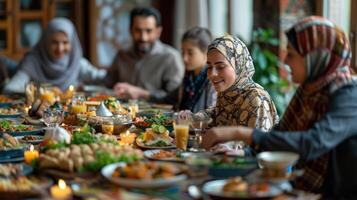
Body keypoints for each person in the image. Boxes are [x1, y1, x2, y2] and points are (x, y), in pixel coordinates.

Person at [202, 16, 357, 198]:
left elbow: (313, 142)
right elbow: (282, 135)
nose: (285, 61)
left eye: (291, 54)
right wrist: (244, 152)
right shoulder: (310, 90)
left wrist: (237, 133)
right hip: (303, 189)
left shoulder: (349, 94)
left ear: (314, 56)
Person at [181, 35, 278, 152]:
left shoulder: (257, 98)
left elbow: (261, 146)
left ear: (238, 65)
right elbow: (215, 113)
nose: (212, 74)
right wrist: (193, 118)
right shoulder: (228, 93)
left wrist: (231, 147)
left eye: (220, 67)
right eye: (209, 67)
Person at [104, 6, 184, 104]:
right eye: (138, 30)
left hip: (157, 117)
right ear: (130, 30)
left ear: (158, 32)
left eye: (148, 31)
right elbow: (107, 84)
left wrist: (142, 93)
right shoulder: (122, 55)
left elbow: (174, 98)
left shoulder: (170, 57)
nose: (143, 37)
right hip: (120, 116)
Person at [3, 18, 105, 93]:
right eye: (54, 43)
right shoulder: (32, 62)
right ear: (46, 42)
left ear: (72, 44)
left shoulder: (75, 62)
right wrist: (42, 92)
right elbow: (10, 89)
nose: (60, 49)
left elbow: (102, 77)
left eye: (65, 42)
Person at [178, 27, 216, 112]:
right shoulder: (188, 77)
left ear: (206, 53)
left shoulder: (213, 80)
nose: (184, 58)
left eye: (190, 53)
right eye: (183, 52)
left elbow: (212, 116)